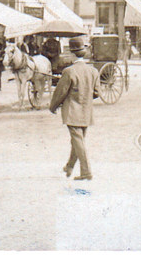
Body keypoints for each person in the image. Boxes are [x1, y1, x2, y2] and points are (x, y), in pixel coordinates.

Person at [49, 38, 100, 181]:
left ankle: (86, 172)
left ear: (72, 55)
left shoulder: (69, 71)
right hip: (86, 111)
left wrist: (53, 106)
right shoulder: (93, 71)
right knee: (78, 141)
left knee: (78, 141)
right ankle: (69, 166)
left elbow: (61, 92)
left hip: (72, 111)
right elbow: (96, 92)